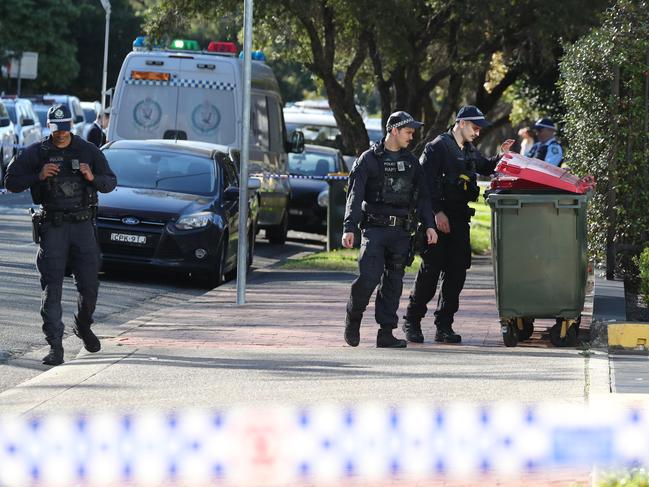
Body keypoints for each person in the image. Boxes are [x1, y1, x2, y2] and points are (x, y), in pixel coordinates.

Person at [4, 104, 117, 366]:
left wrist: (92, 176)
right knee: (51, 289)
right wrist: (38, 175)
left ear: (71, 127)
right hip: (53, 227)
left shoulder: (88, 150)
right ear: (50, 128)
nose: (61, 135)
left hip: (82, 227)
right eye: (56, 131)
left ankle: (83, 325)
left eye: (65, 130)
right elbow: (11, 181)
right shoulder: (39, 152)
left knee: (89, 286)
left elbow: (110, 182)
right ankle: (55, 346)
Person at [402, 106, 514, 344]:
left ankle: (444, 326)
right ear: (461, 123)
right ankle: (412, 321)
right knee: (430, 272)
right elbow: (424, 185)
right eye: (474, 127)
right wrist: (436, 213)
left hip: (460, 220)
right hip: (437, 220)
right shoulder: (437, 148)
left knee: (456, 274)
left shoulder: (469, 150)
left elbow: (485, 166)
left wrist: (501, 156)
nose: (477, 132)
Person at [342, 111, 438, 348]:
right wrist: (349, 227)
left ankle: (386, 332)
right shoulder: (368, 160)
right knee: (369, 277)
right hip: (374, 230)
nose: (412, 137)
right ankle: (353, 319)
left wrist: (429, 225)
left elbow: (424, 197)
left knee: (393, 283)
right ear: (394, 130)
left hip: (401, 233)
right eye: (408, 132)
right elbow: (355, 196)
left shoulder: (412, 162)